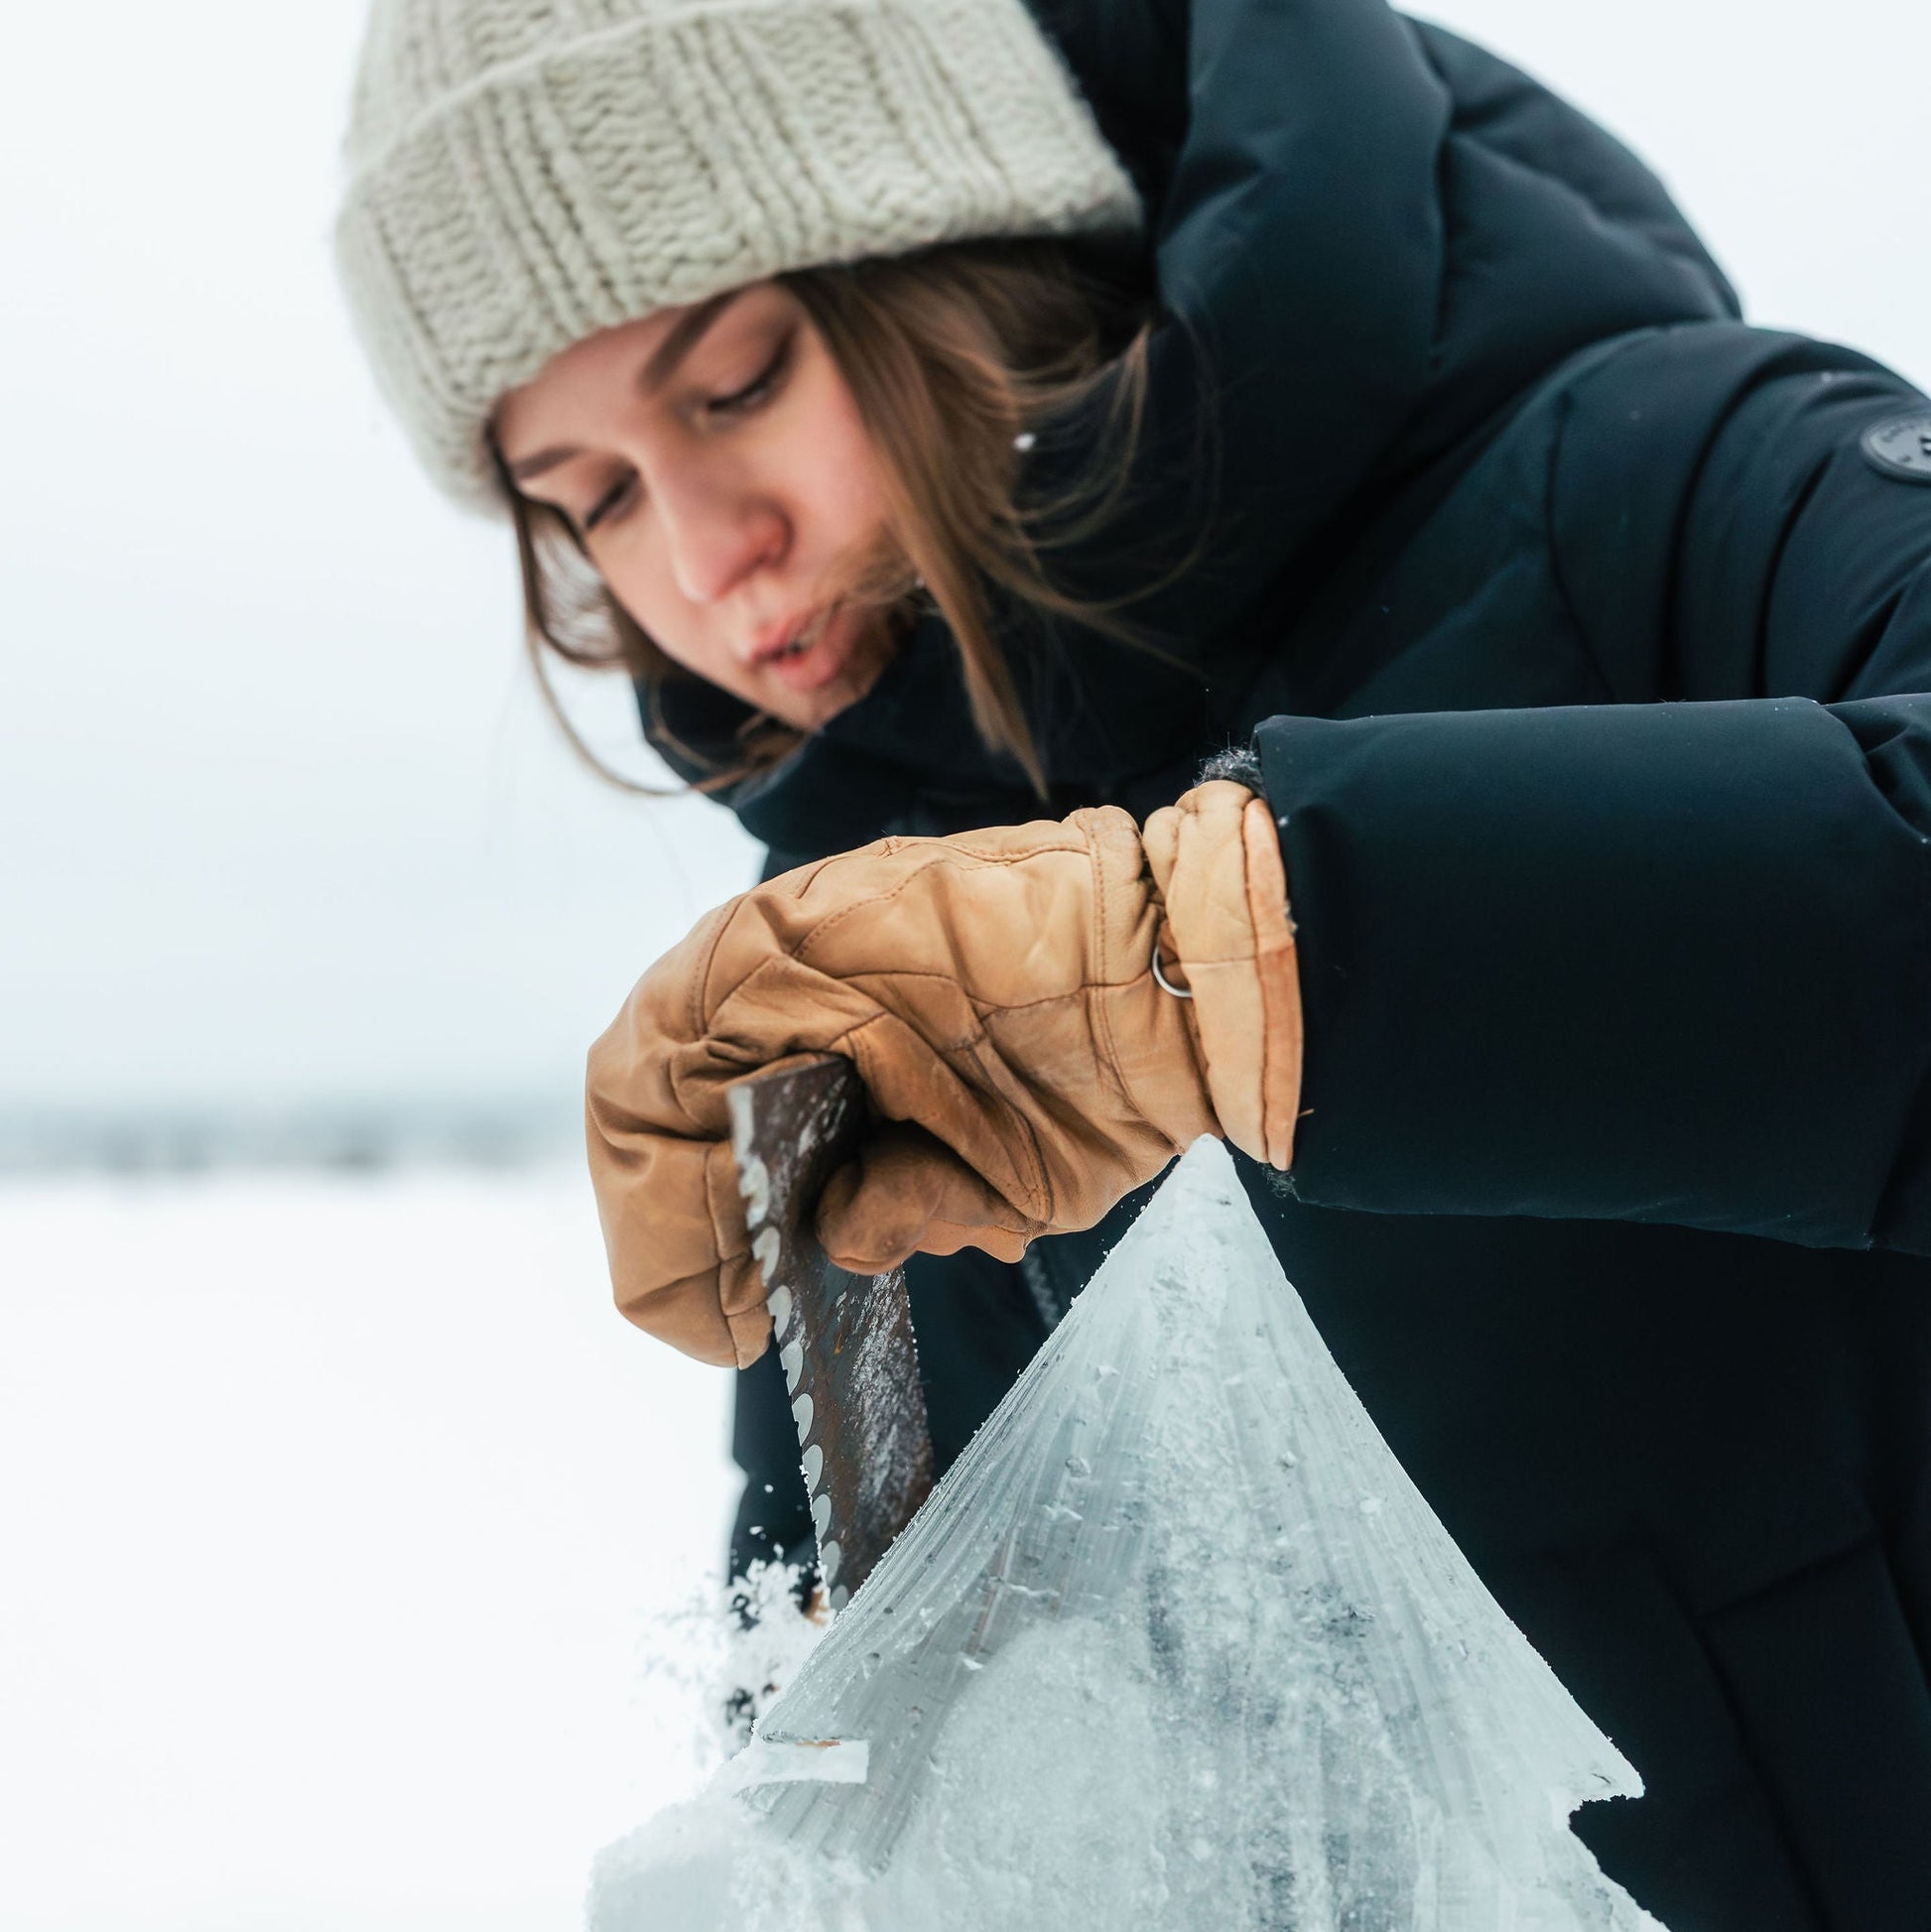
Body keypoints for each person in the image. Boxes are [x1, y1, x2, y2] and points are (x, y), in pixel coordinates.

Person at [335, 1, 1931, 1925]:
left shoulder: (1664, 473)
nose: (704, 552)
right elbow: (874, 1777)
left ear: (956, 248)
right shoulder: (889, 967)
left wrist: (1211, 959)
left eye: (737, 382)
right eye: (585, 498)